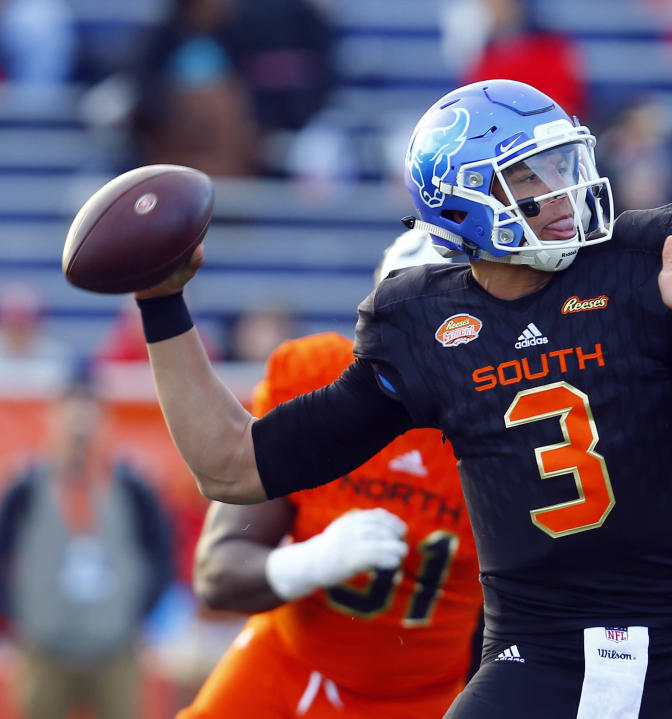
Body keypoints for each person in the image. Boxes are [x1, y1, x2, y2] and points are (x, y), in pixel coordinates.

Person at [131, 79, 672, 717]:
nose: (564, 191)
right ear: (462, 201)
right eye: (531, 176)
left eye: (563, 164)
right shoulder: (424, 325)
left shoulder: (647, 266)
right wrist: (162, 305)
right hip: (534, 661)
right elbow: (232, 466)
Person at [176, 234, 482, 718]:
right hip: (291, 666)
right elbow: (218, 571)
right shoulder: (316, 379)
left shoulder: (504, 427)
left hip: (422, 698)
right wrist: (312, 561)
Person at [0, 365, 175, 719]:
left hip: (115, 649)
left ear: (104, 418)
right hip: (45, 647)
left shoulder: (131, 485)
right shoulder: (27, 485)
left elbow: (161, 552)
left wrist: (135, 614)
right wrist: (20, 615)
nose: (79, 421)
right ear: (52, 416)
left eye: (88, 408)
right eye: (70, 408)